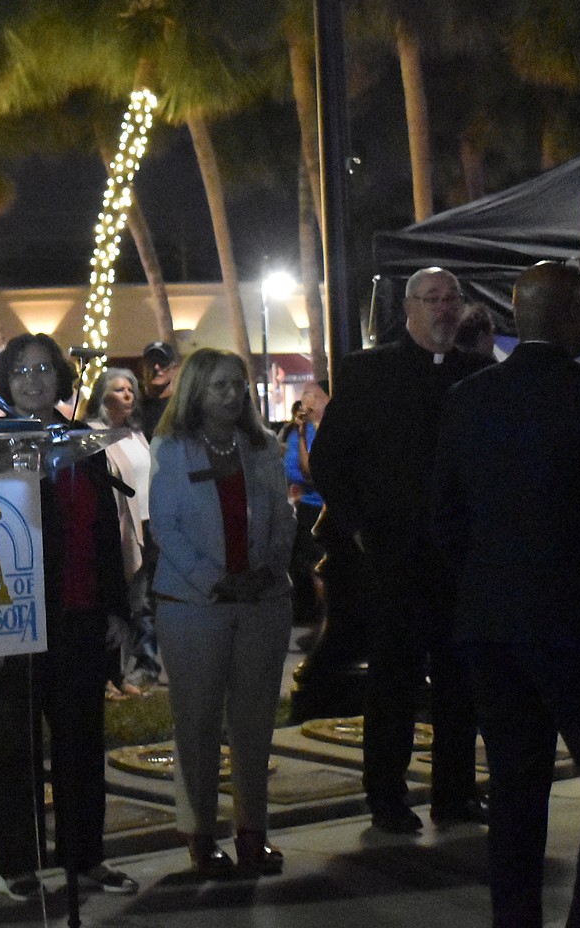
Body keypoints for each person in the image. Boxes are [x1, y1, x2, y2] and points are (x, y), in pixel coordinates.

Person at [433, 260, 580, 928]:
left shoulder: (468, 399)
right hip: (576, 621)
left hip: (490, 623)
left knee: (514, 790)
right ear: (570, 316)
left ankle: (516, 920)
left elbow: (445, 519)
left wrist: (483, 582)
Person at [306, 267, 490, 835]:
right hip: (393, 559)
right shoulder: (367, 373)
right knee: (393, 682)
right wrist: (359, 526)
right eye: (430, 299)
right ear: (408, 308)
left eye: (450, 299)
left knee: (461, 684)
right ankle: (385, 794)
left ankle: (454, 794)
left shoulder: (477, 376)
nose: (442, 309)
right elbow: (330, 461)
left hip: (459, 560)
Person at [0, 334, 137, 898]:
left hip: (78, 615)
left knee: (81, 747)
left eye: (44, 368)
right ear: (4, 378)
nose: (33, 379)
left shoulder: (84, 446)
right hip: (12, 622)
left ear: (61, 378)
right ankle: (18, 867)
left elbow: (105, 529)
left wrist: (116, 609)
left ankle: (85, 858)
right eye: (20, 370)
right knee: (15, 751)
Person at [148, 348, 297, 876]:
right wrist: (215, 581)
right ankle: (201, 834)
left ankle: (253, 832)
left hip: (261, 601)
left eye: (238, 385)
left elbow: (283, 518)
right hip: (195, 607)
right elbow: (166, 527)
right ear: (195, 392)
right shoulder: (171, 449)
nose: (232, 395)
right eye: (220, 387)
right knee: (198, 722)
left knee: (254, 723)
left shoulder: (263, 448)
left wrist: (268, 570)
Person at [84, 366, 160, 697]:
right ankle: (106, 674)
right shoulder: (93, 435)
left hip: (147, 526)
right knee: (114, 606)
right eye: (118, 389)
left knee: (140, 605)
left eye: (130, 389)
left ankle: (131, 670)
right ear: (102, 395)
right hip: (116, 531)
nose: (127, 394)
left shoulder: (137, 435)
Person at [282, 381, 329, 627]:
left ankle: (324, 621)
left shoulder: (327, 428)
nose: (304, 402)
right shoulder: (302, 429)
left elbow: (309, 470)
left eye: (310, 395)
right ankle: (311, 615)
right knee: (301, 562)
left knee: (317, 566)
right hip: (305, 505)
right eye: (302, 396)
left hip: (321, 505)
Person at [136, 341, 179, 437]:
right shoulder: (135, 406)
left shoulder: (182, 407)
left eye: (163, 362)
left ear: (175, 369)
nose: (156, 367)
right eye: (151, 362)